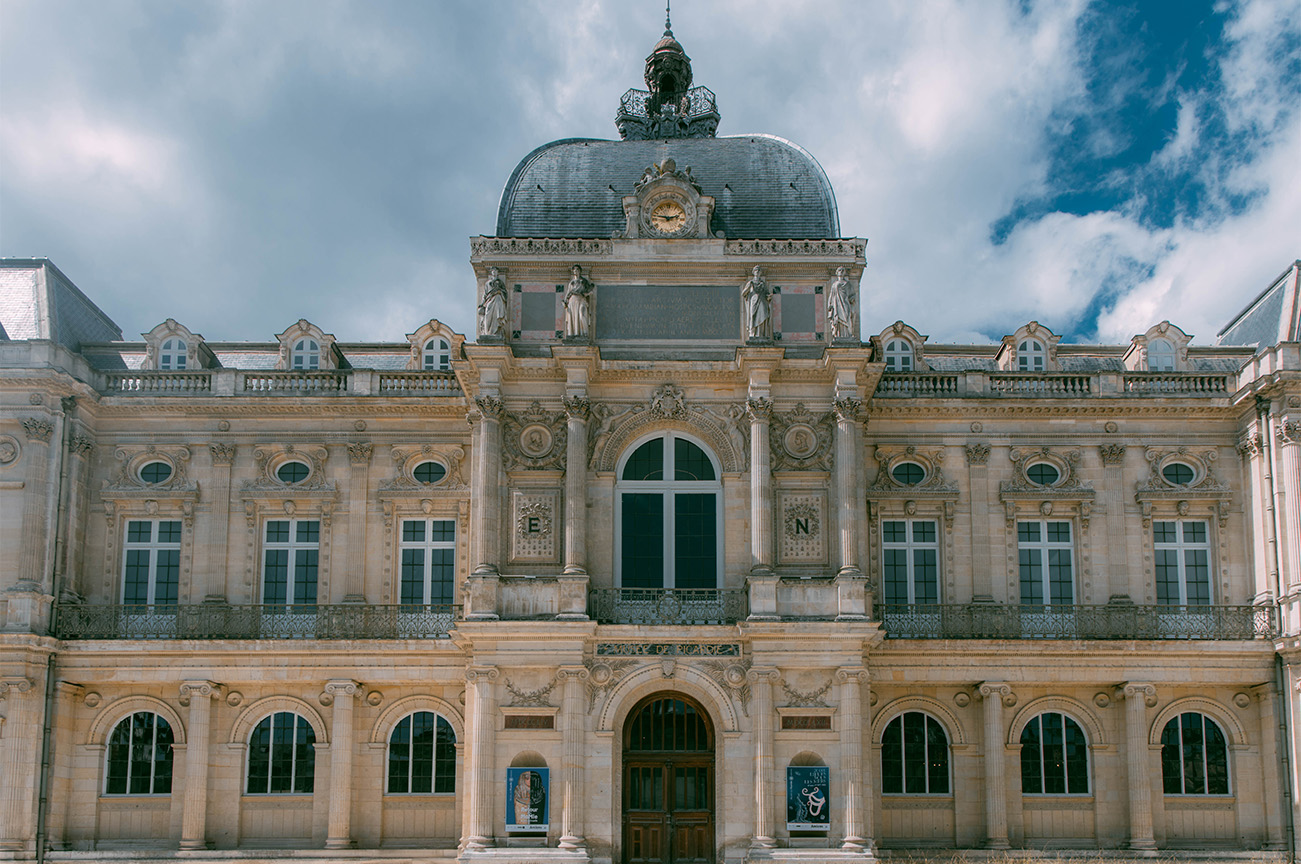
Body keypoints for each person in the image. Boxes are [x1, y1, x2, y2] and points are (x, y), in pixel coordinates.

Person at [742, 265, 772, 340]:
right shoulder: (750, 282)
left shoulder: (763, 284)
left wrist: (769, 297)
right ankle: (753, 333)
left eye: (759, 271)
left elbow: (766, 293)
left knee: (763, 315)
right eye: (756, 270)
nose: (757, 272)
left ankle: (761, 334)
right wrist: (748, 288)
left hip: (762, 300)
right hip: (754, 300)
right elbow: (743, 293)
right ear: (753, 272)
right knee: (753, 316)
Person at [564, 264, 593, 338]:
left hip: (581, 299)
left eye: (577, 270)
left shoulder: (583, 281)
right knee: (573, 317)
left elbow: (589, 290)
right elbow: (568, 292)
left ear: (580, 271)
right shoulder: (572, 283)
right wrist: (565, 301)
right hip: (572, 300)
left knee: (582, 315)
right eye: (574, 270)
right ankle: (573, 334)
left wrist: (587, 293)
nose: (576, 271)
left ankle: (584, 333)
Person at [479, 267, 507, 338]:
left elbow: (505, 293)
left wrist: (499, 292)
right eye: (493, 271)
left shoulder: (500, 282)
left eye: (495, 271)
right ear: (491, 272)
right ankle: (488, 331)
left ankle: (497, 330)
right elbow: (485, 295)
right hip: (489, 300)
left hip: (498, 299)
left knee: (497, 312)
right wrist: (482, 304)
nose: (494, 272)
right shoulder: (488, 283)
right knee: (488, 314)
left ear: (497, 272)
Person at [827, 266, 853, 340]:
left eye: (842, 270)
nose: (841, 272)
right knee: (837, 318)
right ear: (837, 272)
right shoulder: (834, 284)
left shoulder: (847, 283)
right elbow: (831, 295)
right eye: (839, 270)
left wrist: (852, 300)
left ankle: (847, 335)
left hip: (845, 303)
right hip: (837, 304)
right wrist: (829, 304)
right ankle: (838, 334)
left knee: (846, 317)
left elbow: (852, 295)